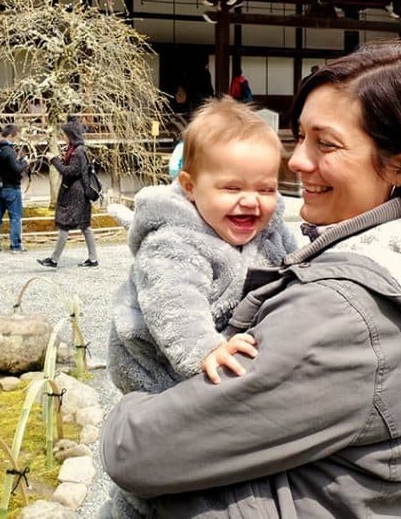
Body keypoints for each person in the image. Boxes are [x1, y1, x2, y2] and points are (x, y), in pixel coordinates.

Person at [101, 40, 401, 518]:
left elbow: (140, 451)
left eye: (325, 143)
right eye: (300, 137)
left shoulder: (343, 312)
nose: (295, 161)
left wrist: (125, 415)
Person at [102, 98, 295, 518]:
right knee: (159, 468)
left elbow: (293, 269)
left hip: (217, 355)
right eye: (231, 188)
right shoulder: (174, 240)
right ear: (190, 187)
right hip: (157, 366)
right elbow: (173, 304)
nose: (251, 202)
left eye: (266, 189)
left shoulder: (270, 231)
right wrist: (204, 349)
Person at [37, 119, 100, 268]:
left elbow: (69, 171)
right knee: (84, 226)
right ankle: (92, 258)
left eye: (64, 134)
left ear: (71, 135)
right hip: (78, 192)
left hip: (75, 193)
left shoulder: (78, 152)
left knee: (65, 224)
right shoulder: (75, 149)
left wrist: (54, 159)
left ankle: (54, 259)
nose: (63, 137)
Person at [0, 123, 27, 253]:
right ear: (11, 136)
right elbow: (16, 170)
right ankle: (16, 245)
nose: (17, 140)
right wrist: (24, 163)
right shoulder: (8, 151)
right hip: (11, 188)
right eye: (16, 137)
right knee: (15, 217)